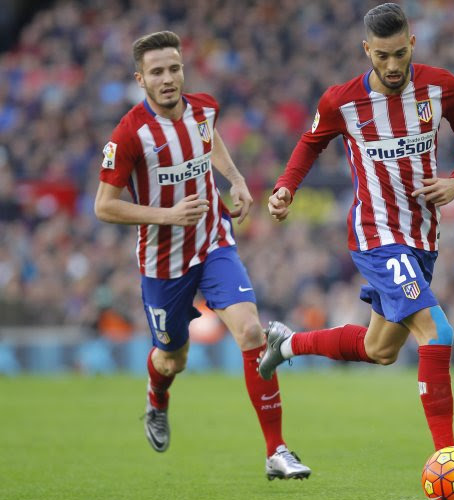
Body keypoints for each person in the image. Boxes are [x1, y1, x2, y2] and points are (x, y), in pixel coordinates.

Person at [261, 3, 454, 487]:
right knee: (438, 333)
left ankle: (288, 344)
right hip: (377, 236)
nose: (392, 66)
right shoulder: (341, 101)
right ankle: (449, 463)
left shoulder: (442, 87)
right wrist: (287, 186)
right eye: (382, 56)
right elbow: (311, 142)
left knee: (380, 349)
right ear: (366, 50)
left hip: (423, 237)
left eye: (400, 54)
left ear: (412, 43)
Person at [93, 31, 310, 479]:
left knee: (251, 331)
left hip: (214, 243)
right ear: (141, 79)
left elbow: (210, 141)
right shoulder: (130, 133)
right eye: (157, 72)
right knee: (173, 359)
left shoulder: (203, 107)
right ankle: (157, 398)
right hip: (163, 263)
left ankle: (277, 451)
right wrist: (168, 215)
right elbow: (104, 206)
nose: (168, 78)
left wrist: (235, 179)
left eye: (174, 68)